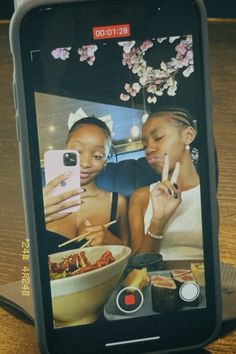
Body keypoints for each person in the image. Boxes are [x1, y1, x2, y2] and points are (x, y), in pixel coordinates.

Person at [129, 107, 203, 260]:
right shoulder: (140, 198)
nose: (148, 149)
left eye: (158, 137)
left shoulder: (212, 194)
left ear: (188, 136)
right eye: (144, 145)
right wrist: (158, 221)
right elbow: (139, 267)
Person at [43, 116, 129, 247]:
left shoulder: (118, 203)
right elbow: (23, 254)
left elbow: (130, 256)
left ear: (105, 160)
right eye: (77, 152)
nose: (85, 163)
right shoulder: (41, 202)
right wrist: (32, 223)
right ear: (65, 149)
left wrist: (115, 242)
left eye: (97, 156)